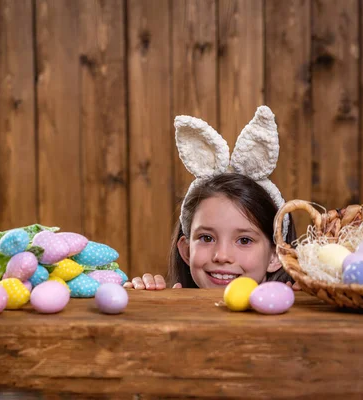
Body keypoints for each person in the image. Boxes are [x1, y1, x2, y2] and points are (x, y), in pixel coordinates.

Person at [124, 106, 298, 290]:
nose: (221, 256)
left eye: (244, 240)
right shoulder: (168, 313)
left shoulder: (296, 314)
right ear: (186, 250)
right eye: (206, 238)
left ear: (276, 255)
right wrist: (143, 308)